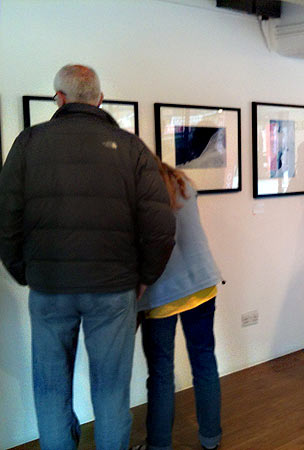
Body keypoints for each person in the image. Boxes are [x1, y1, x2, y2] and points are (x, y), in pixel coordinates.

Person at [0, 64, 176, 449]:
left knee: (49, 390)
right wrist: (144, 276)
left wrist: (25, 273)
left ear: (59, 99)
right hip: (113, 291)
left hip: (50, 289)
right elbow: (161, 226)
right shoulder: (130, 148)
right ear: (99, 100)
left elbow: (6, 219)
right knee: (111, 392)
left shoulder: (29, 142)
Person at [132, 156, 222, 450]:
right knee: (204, 361)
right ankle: (211, 438)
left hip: (162, 293)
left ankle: (158, 445)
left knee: (160, 372)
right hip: (202, 284)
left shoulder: (140, 193)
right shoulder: (183, 183)